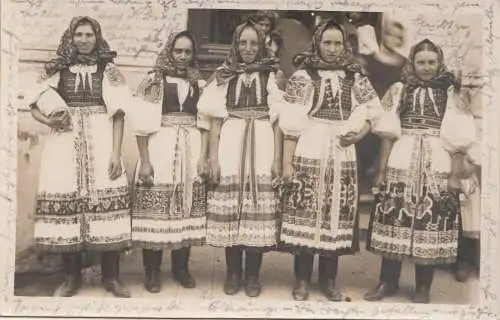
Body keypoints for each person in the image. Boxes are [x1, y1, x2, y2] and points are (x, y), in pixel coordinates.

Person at [27, 16, 132, 298]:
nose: (83, 40)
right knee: (68, 202)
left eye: (89, 35)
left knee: (108, 198)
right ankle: (71, 278)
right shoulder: (57, 68)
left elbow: (119, 114)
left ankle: (111, 278)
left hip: (101, 140)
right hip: (64, 145)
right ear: (70, 37)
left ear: (97, 38)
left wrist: (116, 152)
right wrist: (49, 122)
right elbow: (32, 104)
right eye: (78, 35)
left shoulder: (107, 69)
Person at [278, 19, 383, 301]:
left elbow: (373, 113)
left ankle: (329, 280)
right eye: (327, 43)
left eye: (338, 43)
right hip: (310, 146)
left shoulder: (355, 77)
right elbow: (290, 124)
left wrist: (357, 136)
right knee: (306, 213)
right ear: (317, 43)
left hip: (340, 151)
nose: (333, 49)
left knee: (335, 215)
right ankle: (301, 279)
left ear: (345, 45)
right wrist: (287, 164)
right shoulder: (303, 76)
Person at [364, 39, 476, 303]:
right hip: (403, 155)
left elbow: (458, 138)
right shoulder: (400, 89)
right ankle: (387, 282)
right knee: (394, 217)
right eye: (421, 62)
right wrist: (381, 169)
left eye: (431, 62)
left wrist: (454, 175)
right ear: (412, 63)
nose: (426, 67)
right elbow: (387, 133)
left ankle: (423, 286)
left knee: (431, 220)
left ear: (439, 64)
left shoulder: (450, 93)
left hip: (437, 158)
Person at [197, 20, 283, 298]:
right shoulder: (225, 75)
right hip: (231, 141)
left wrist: (277, 160)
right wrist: (212, 157)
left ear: (262, 45)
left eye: (254, 43)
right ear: (235, 44)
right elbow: (213, 119)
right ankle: (232, 272)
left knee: (256, 206)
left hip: (262, 141)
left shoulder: (271, 75)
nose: (248, 49)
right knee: (232, 207)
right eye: (243, 43)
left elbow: (279, 120)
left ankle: (253, 274)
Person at [131, 31, 208, 293]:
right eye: (178, 51)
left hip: (190, 148)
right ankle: (152, 270)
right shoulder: (154, 80)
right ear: (169, 51)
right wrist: (144, 161)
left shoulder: (200, 83)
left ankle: (181, 268)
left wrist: (203, 156)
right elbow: (141, 127)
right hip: (160, 147)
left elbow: (206, 122)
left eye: (187, 52)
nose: (183, 56)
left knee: (184, 207)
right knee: (157, 210)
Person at [356, 20, 408, 194]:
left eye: (397, 36)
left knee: (383, 158)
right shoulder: (368, 58)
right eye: (389, 34)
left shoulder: (404, 63)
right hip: (368, 112)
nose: (392, 38)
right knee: (361, 153)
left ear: (400, 40)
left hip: (389, 115)